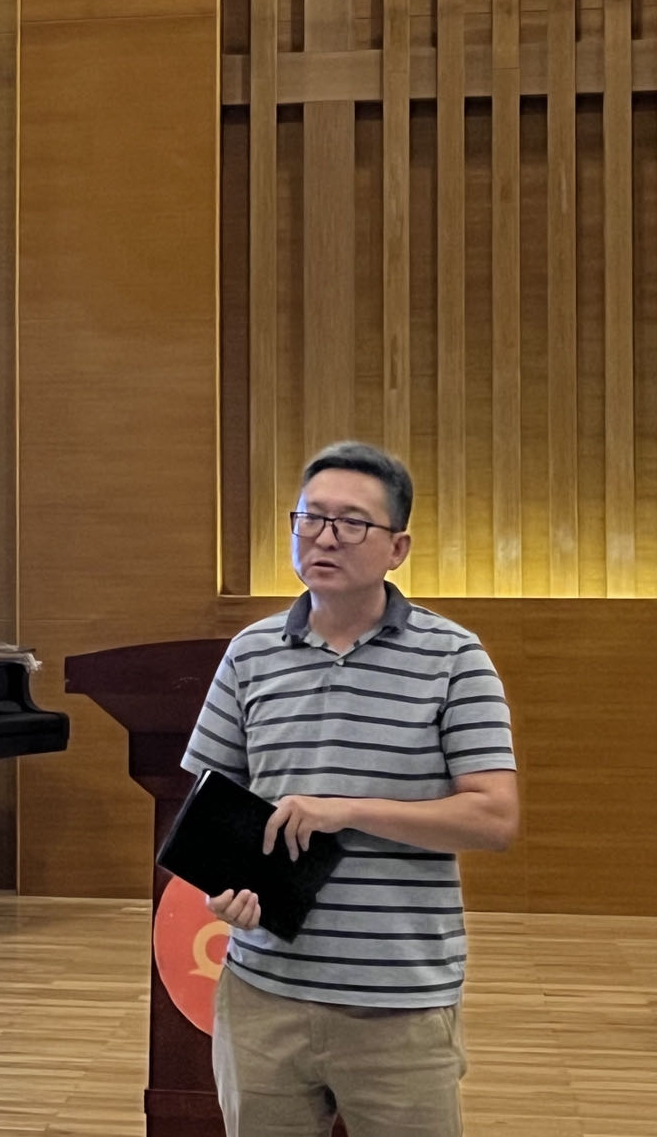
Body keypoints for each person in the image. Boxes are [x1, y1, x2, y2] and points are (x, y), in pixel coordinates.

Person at [181, 441, 518, 1137]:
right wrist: (223, 890)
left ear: (398, 548)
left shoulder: (455, 658)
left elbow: (493, 818)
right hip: (263, 993)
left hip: (400, 1001)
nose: (325, 537)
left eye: (352, 522)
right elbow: (211, 810)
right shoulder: (250, 654)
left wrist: (348, 811)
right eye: (310, 517)